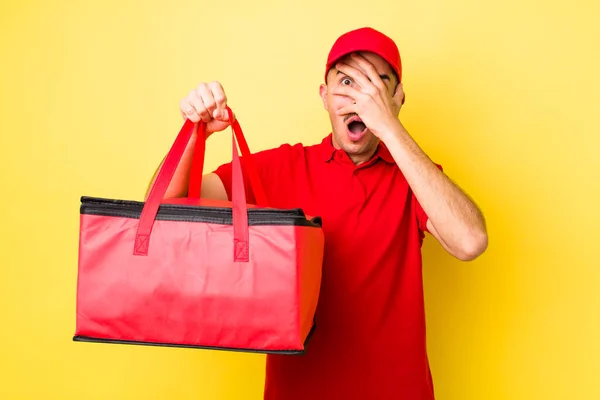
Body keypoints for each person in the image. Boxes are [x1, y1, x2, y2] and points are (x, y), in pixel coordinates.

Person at [153, 27, 488, 400]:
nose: (362, 98)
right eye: (347, 82)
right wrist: (196, 131)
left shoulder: (414, 176)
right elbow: (167, 209)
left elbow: (470, 241)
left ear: (397, 99)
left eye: (377, 84)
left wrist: (390, 129)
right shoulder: (282, 168)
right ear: (325, 97)